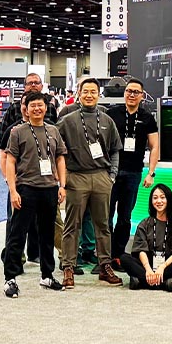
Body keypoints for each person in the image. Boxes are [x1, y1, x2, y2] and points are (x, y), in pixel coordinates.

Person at [57, 77, 123, 288]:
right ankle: (68, 267)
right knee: (72, 225)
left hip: (101, 177)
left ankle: (104, 266)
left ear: (98, 94)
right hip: (76, 177)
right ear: (79, 93)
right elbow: (55, 148)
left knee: (103, 225)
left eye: (93, 91)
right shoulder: (67, 120)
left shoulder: (107, 120)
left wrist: (112, 176)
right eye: (85, 91)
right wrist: (63, 177)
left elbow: (115, 150)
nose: (89, 95)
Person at [1, 91, 67, 298]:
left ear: (46, 108)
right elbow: (10, 161)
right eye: (33, 106)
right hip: (26, 188)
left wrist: (62, 185)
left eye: (40, 105)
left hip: (49, 188)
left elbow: (60, 158)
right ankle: (10, 278)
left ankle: (47, 275)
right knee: (17, 234)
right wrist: (13, 190)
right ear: (26, 109)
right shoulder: (17, 132)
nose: (37, 109)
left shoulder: (53, 130)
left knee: (47, 234)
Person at [107, 77, 160, 262]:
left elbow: (154, 146)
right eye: (129, 91)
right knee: (106, 215)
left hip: (133, 172)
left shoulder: (147, 118)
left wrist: (151, 173)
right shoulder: (112, 114)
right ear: (124, 93)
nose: (132, 94)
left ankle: (118, 254)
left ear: (142, 96)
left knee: (125, 216)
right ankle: (105, 256)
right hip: (111, 172)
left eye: (136, 92)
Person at [118, 184, 172, 291]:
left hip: (166, 266)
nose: (159, 201)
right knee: (124, 258)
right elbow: (141, 250)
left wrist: (162, 266)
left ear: (169, 200)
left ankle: (141, 281)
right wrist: (148, 269)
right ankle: (164, 283)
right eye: (155, 198)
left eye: (162, 197)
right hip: (147, 265)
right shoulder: (144, 224)